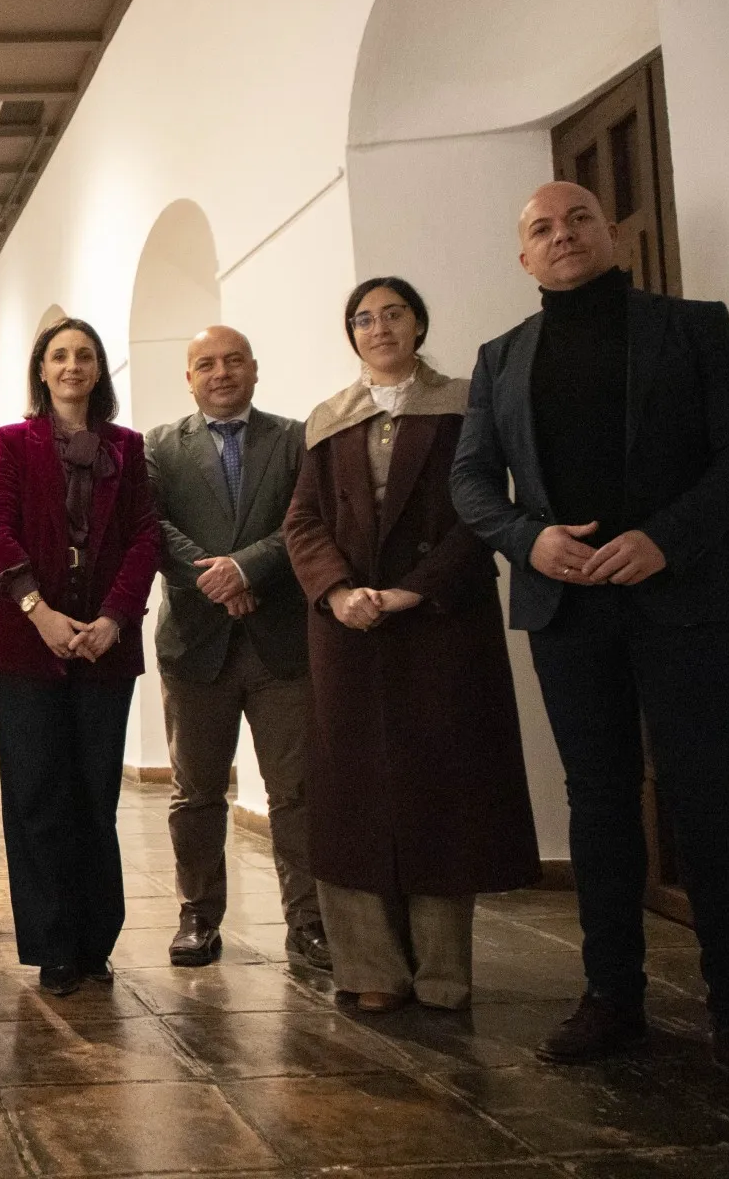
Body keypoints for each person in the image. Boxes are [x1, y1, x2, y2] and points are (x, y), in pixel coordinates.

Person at [452, 182, 729, 1086]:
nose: (563, 236)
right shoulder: (501, 357)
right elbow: (473, 483)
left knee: (711, 800)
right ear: (524, 258)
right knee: (598, 801)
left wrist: (665, 539)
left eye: (578, 220)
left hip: (682, 597)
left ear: (612, 233)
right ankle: (613, 997)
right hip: (568, 607)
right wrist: (528, 539)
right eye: (542, 229)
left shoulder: (692, 327)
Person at [284, 278, 539, 1013]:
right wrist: (337, 591)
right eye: (363, 318)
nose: (378, 327)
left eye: (393, 313)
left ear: (419, 323)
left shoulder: (465, 401)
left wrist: (412, 590)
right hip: (348, 631)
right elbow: (303, 521)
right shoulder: (329, 419)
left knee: (440, 794)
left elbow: (483, 512)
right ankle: (368, 969)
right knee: (350, 798)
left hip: (436, 623)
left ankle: (442, 975)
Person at [0, 319, 161, 995]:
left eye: (83, 355)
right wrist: (39, 611)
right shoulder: (14, 443)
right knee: (37, 796)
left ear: (98, 369)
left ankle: (94, 941)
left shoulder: (128, 447)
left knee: (95, 797)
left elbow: (144, 537)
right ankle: (52, 944)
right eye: (59, 355)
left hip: (105, 649)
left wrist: (116, 616)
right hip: (27, 646)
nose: (71, 366)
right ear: (42, 369)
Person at [144, 327, 329, 971]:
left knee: (297, 791)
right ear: (188, 378)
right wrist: (217, 579)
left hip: (281, 642)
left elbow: (304, 522)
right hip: (196, 645)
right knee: (195, 793)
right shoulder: (159, 448)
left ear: (255, 369)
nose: (220, 373)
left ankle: (308, 924)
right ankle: (198, 917)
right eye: (205, 364)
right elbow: (152, 528)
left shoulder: (296, 438)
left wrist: (245, 569)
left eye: (233, 361)